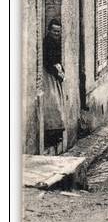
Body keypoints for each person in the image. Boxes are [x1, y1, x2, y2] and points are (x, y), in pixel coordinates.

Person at [43, 18, 66, 152]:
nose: (56, 34)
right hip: (48, 76)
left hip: (55, 76)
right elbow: (47, 62)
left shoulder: (56, 42)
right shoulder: (46, 43)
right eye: (54, 31)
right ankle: (51, 136)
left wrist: (61, 70)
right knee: (53, 105)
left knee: (57, 104)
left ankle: (56, 135)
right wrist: (57, 73)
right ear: (49, 30)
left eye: (58, 32)